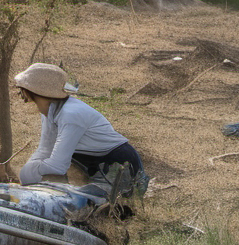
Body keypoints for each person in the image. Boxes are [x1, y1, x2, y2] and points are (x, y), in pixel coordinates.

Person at [13, 63, 144, 186]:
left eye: (23, 89)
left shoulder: (70, 115)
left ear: (37, 92)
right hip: (92, 161)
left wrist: (29, 171)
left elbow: (57, 166)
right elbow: (45, 150)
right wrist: (28, 176)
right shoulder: (50, 111)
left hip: (118, 162)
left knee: (95, 206)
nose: (21, 93)